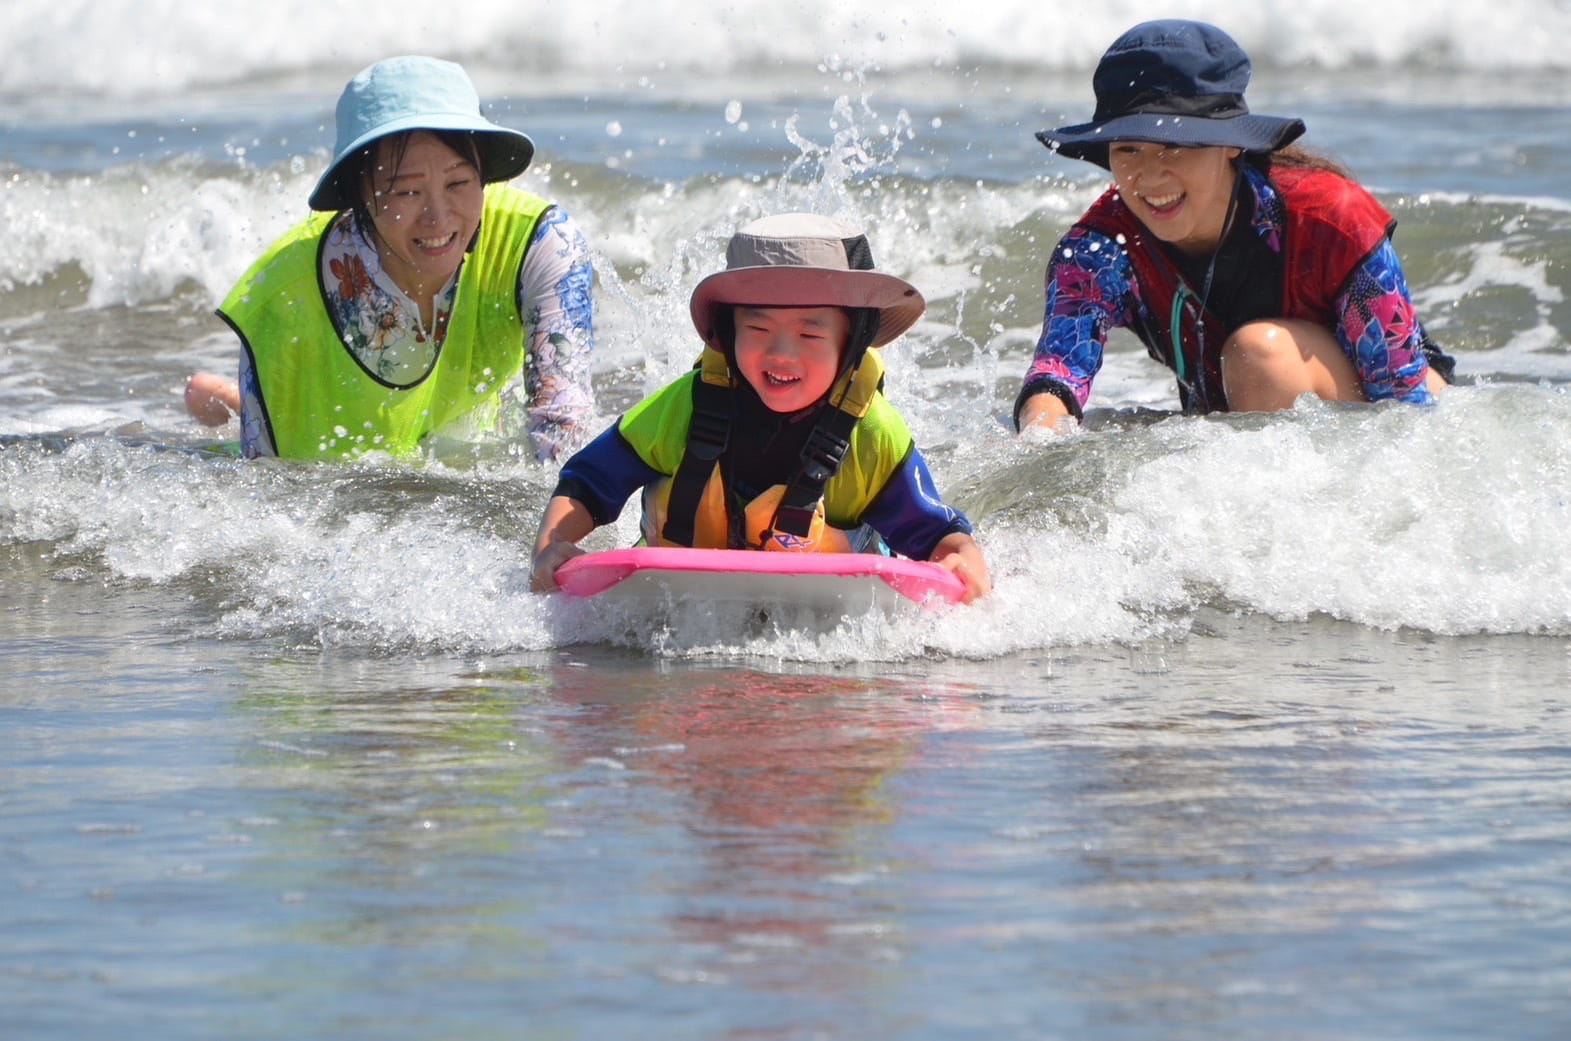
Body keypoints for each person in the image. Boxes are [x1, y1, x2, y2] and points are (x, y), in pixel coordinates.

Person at [1015, 19, 1456, 432]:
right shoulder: (1100, 246)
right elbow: (1058, 374)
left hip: (1394, 390)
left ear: (1230, 145)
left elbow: (1404, 405)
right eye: (1128, 149)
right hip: (1243, 412)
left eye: (1174, 144)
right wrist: (1038, 444)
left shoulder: (1331, 216)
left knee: (1258, 354)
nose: (1148, 176)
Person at [530, 213, 991, 603]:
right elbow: (586, 484)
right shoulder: (685, 408)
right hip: (681, 599)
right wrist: (552, 548)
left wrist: (962, 561)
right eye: (758, 328)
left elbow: (938, 535)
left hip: (823, 607)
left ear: (852, 343)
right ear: (729, 334)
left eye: (810, 334)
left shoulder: (872, 434)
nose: (782, 354)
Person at [184, 55, 594, 461]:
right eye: (407, 192)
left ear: (483, 174)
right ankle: (229, 399)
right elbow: (266, 488)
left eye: (458, 182)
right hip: (339, 431)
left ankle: (223, 397)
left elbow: (563, 429)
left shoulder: (540, 242)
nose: (439, 217)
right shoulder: (286, 298)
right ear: (359, 193)